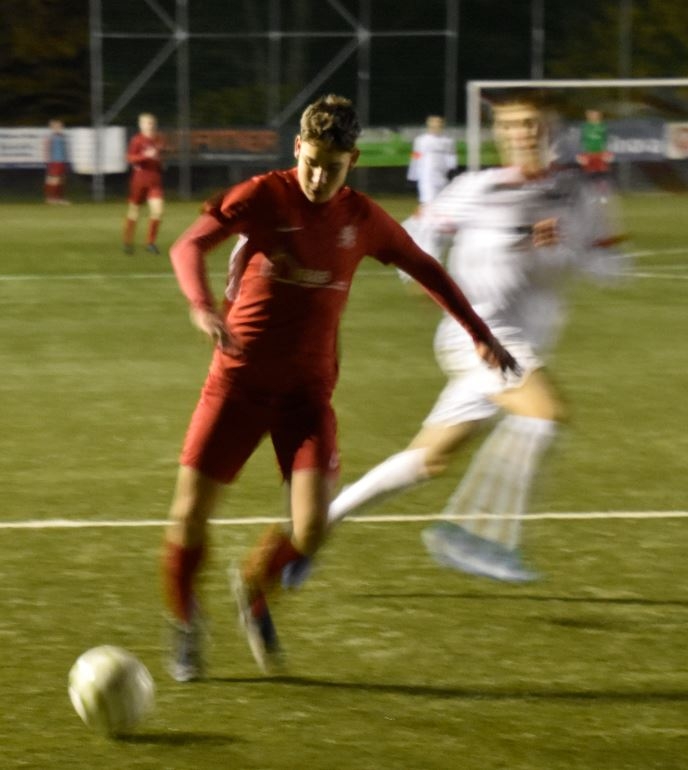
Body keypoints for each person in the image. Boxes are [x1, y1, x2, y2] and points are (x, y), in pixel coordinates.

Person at [161, 94, 518, 682]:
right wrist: (202, 307)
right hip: (237, 386)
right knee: (189, 515)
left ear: (353, 160)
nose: (319, 177)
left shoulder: (363, 219)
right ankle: (184, 622)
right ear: (297, 147)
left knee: (311, 528)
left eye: (333, 167)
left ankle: (254, 587)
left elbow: (425, 266)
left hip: (306, 398)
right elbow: (187, 245)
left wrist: (479, 334)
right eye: (311, 162)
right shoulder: (262, 195)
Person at [286, 96, 625, 586]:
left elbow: (612, 267)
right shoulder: (479, 188)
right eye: (512, 125)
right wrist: (428, 286)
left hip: (522, 344)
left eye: (532, 124)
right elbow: (416, 233)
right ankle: (476, 535)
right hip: (482, 337)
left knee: (427, 460)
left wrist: (566, 247)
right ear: (500, 134)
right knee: (545, 415)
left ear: (551, 129)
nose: (523, 133)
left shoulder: (578, 193)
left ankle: (310, 532)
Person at [123, 112, 165, 255]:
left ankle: (150, 243)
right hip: (139, 181)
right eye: (147, 123)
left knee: (158, 211)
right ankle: (128, 241)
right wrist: (144, 156)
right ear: (141, 125)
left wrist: (160, 160)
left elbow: (160, 157)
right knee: (134, 211)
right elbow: (129, 158)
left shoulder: (158, 139)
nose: (150, 126)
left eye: (152, 123)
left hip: (155, 181)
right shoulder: (137, 140)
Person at [406, 115, 458, 208]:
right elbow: (416, 156)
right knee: (428, 200)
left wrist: (452, 168)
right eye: (433, 125)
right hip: (426, 174)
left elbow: (451, 156)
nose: (436, 127)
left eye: (438, 125)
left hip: (441, 175)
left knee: (441, 201)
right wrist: (413, 174)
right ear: (429, 126)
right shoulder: (421, 140)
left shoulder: (448, 141)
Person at [576, 109, 612, 181]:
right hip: (588, 152)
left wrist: (606, 152)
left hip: (600, 152)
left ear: (599, 116)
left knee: (602, 170)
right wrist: (581, 153)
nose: (593, 116)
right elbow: (582, 140)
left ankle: (602, 182)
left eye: (595, 114)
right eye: (591, 114)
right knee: (588, 171)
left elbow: (606, 139)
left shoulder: (603, 126)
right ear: (587, 116)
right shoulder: (585, 126)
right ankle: (590, 182)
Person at [43, 119, 71, 204]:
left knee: (61, 180)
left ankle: (58, 198)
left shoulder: (62, 136)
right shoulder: (51, 137)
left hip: (62, 161)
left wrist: (66, 160)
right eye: (57, 127)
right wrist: (48, 161)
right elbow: (46, 149)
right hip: (55, 161)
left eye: (60, 126)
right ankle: (52, 198)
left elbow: (64, 150)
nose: (59, 128)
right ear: (52, 128)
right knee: (54, 180)